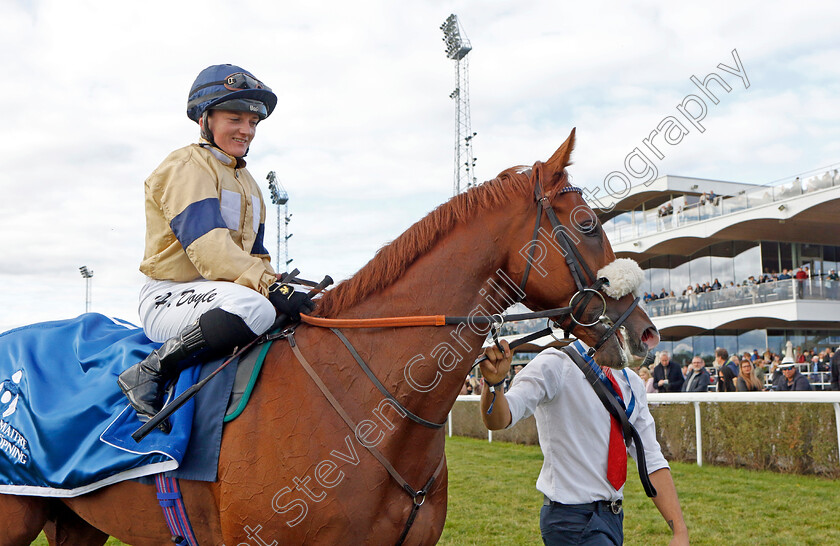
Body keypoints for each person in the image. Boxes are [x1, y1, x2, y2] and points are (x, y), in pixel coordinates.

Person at [118, 64, 315, 426]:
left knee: (297, 310)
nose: (246, 130)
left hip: (219, 296)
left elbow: (256, 258)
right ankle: (149, 372)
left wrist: (282, 283)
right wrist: (271, 287)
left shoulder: (252, 186)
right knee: (257, 309)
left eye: (253, 122)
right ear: (205, 119)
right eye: (235, 118)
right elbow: (210, 250)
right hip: (169, 297)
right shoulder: (185, 166)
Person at [480, 340, 688, 545]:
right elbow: (499, 419)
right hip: (569, 519)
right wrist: (494, 384)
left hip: (613, 518)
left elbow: (651, 458)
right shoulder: (554, 364)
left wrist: (680, 532)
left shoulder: (632, 382)